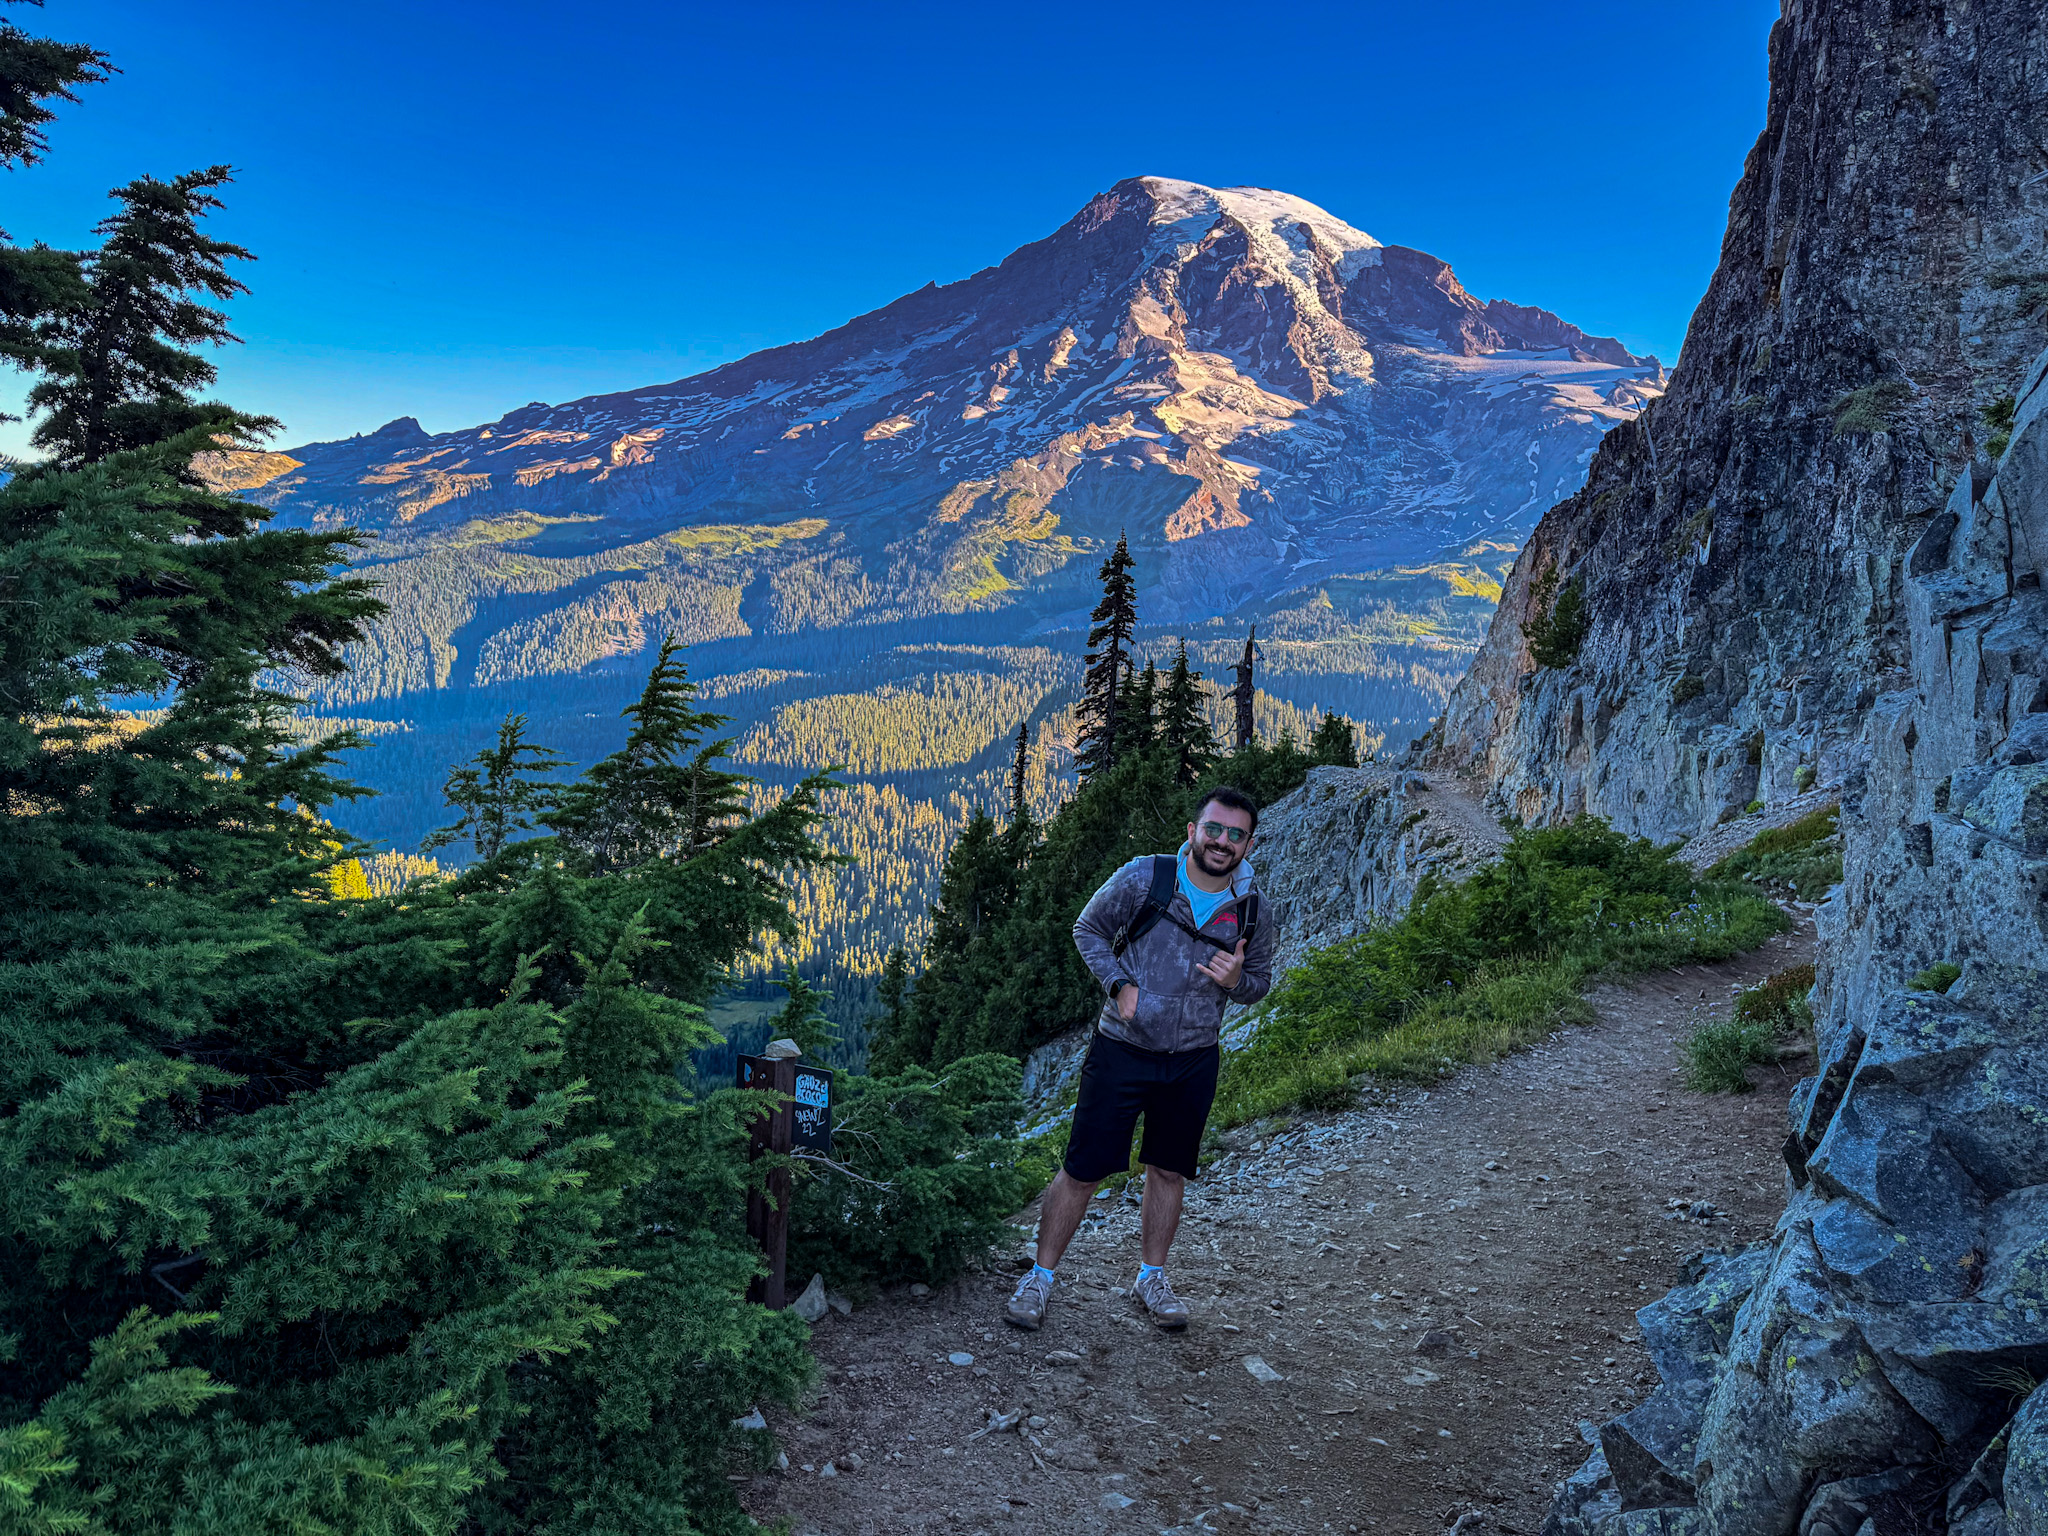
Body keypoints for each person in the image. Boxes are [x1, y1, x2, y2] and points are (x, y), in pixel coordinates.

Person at [1005, 786, 1274, 1332]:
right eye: (1214, 829)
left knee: (1169, 1171)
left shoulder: (1251, 911)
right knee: (1082, 1169)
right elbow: (1088, 929)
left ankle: (1151, 1277)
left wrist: (1236, 980)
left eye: (1235, 834)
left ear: (1248, 844)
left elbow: (1260, 983)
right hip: (1122, 1050)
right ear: (1194, 831)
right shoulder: (1145, 878)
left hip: (1194, 1057)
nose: (1222, 842)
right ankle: (1040, 1277)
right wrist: (1119, 984)